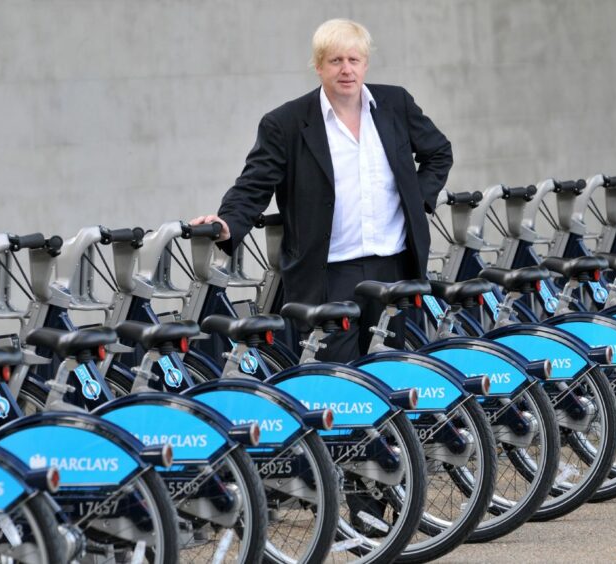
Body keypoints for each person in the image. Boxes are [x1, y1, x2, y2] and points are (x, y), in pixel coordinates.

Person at [191, 18, 452, 362]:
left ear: (365, 64)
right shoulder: (286, 122)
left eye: (354, 60)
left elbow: (438, 153)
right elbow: (254, 184)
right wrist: (228, 222)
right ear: (318, 66)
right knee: (337, 382)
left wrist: (415, 203)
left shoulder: (395, 105)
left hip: (393, 269)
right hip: (328, 275)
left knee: (390, 375)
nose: (346, 69)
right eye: (335, 61)